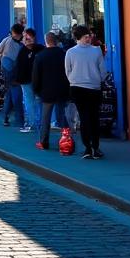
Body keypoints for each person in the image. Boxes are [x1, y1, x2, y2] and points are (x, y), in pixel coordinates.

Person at [65, 25, 107, 159]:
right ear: (78, 38)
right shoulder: (96, 51)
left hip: (79, 87)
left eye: (89, 36)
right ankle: (93, 147)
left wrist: (73, 79)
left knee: (86, 118)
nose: (88, 39)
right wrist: (98, 79)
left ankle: (89, 147)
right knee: (91, 117)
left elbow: (68, 71)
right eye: (85, 37)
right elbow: (102, 70)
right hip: (90, 88)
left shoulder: (71, 52)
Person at [33, 31, 71, 151]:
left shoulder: (40, 56)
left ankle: (44, 142)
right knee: (61, 115)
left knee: (46, 118)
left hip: (46, 91)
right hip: (62, 89)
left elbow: (36, 76)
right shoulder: (63, 54)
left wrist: (36, 90)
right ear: (56, 41)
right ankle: (67, 139)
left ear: (46, 41)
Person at [13, 29, 43, 132]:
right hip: (29, 80)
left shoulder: (38, 49)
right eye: (25, 37)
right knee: (32, 101)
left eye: (27, 37)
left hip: (34, 80)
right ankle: (34, 123)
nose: (26, 39)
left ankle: (35, 123)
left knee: (33, 101)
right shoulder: (25, 51)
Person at [0, 24, 26, 128]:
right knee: (16, 95)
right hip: (14, 71)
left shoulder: (7, 39)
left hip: (6, 70)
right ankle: (20, 120)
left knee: (9, 94)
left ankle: (5, 117)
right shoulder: (22, 43)